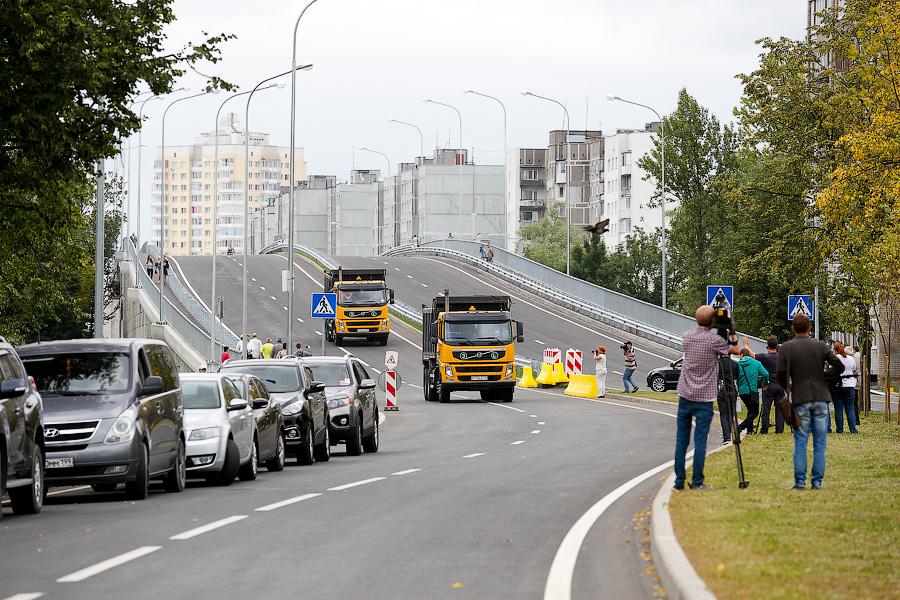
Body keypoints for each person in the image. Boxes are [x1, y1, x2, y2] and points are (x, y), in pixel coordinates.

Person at [674, 305, 741, 491]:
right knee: (700, 440)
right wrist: (730, 329)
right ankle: (697, 481)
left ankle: (679, 481)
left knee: (681, 440)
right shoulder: (714, 341)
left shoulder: (687, 337)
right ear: (713, 321)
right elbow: (735, 350)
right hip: (704, 397)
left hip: (685, 394)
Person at [776, 314, 843, 490]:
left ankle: (799, 482)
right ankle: (817, 481)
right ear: (810, 328)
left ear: (793, 329)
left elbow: (780, 373)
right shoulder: (820, 346)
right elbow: (839, 366)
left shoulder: (787, 348)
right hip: (821, 397)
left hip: (800, 398)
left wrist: (789, 385)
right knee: (820, 442)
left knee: (800, 441)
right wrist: (824, 377)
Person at [744, 336, 785, 434]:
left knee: (766, 409)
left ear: (767, 346)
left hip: (768, 386)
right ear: (777, 346)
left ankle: (764, 429)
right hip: (780, 386)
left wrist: (746, 345)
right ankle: (779, 430)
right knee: (779, 409)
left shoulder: (764, 357)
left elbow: (752, 354)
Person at [736, 348, 769, 435]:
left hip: (742, 392)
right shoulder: (756, 363)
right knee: (755, 412)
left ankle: (750, 430)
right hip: (752, 391)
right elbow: (766, 374)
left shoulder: (737, 364)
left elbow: (735, 377)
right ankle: (740, 427)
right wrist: (765, 383)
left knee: (750, 410)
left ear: (742, 355)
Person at [831, 341, 859, 434]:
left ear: (835, 350)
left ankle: (839, 429)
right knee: (850, 408)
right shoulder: (851, 359)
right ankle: (853, 429)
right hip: (850, 386)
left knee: (838, 408)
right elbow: (854, 369)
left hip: (838, 386)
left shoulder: (834, 359)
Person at [717, 358, 739, 444]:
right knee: (731, 413)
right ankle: (729, 431)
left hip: (722, 390)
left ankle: (726, 437)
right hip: (733, 390)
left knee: (723, 413)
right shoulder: (735, 364)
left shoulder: (717, 363)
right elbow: (737, 376)